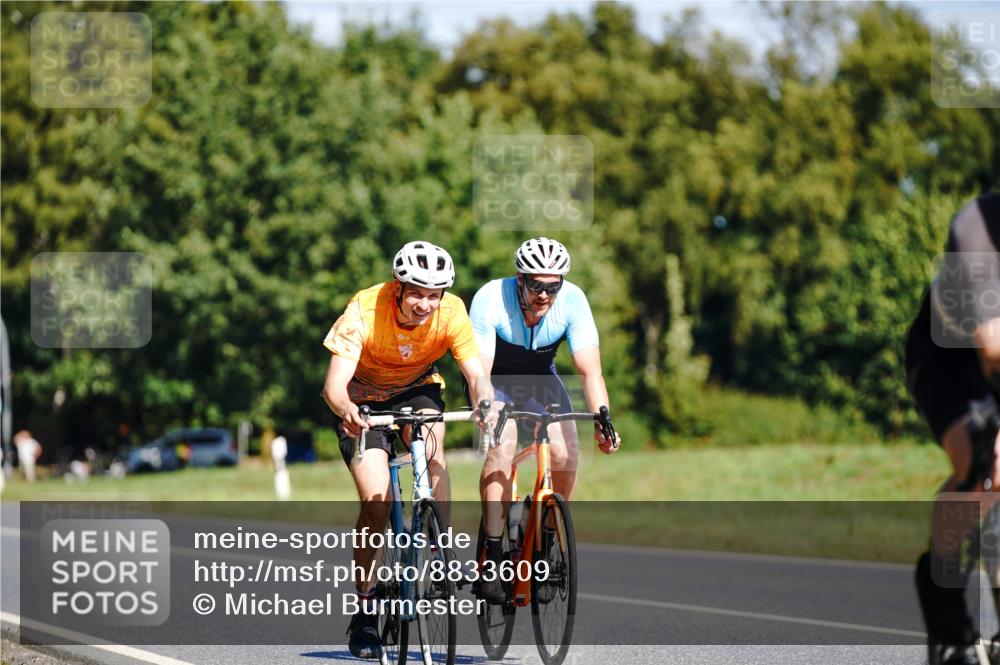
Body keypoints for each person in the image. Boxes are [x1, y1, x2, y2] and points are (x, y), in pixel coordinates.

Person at [321, 240, 494, 659]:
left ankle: (439, 551)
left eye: (434, 295)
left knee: (434, 453)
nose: (425, 305)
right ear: (397, 287)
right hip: (362, 400)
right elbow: (334, 386)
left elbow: (476, 374)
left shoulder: (451, 311)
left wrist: (485, 403)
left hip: (417, 390)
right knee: (376, 503)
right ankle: (365, 610)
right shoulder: (364, 309)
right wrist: (347, 411)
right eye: (417, 293)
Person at [468, 237, 620, 604]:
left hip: (540, 380)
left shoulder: (573, 300)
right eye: (536, 285)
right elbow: (479, 371)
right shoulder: (491, 297)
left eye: (553, 287)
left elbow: (590, 371)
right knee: (502, 447)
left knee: (567, 454)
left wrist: (603, 419)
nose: (544, 295)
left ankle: (546, 543)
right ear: (520, 279)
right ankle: (493, 556)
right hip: (493, 380)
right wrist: (485, 408)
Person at [905, 193, 1000, 665]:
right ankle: (943, 605)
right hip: (949, 358)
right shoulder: (978, 226)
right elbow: (992, 349)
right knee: (986, 462)